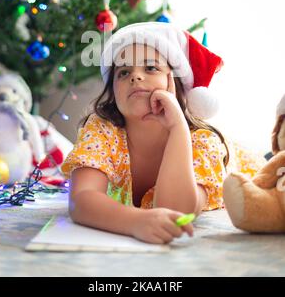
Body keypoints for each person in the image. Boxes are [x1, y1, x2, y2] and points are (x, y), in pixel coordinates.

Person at [62, 22, 266, 244]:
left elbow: (175, 211)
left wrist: (178, 128)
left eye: (151, 68)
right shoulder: (102, 129)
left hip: (254, 169)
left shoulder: (204, 142)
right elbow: (81, 200)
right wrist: (135, 221)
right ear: (113, 92)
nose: (135, 77)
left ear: (175, 84)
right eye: (123, 72)